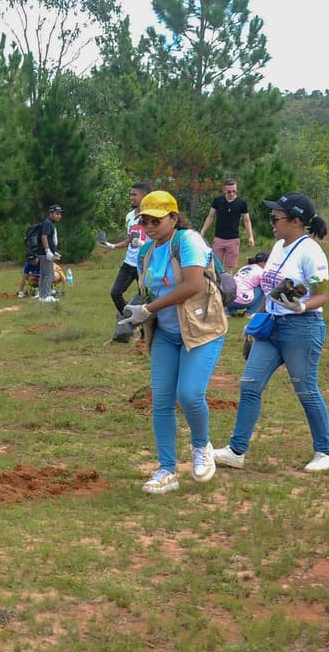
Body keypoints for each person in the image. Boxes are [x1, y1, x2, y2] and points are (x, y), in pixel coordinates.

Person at [214, 193, 329, 473]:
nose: (272, 222)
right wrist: (255, 324)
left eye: (276, 218)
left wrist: (300, 305)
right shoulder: (279, 246)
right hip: (272, 328)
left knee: (306, 390)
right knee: (250, 385)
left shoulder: (311, 252)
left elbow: (322, 297)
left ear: (296, 221)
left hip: (302, 329)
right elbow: (270, 292)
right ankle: (236, 451)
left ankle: (325, 452)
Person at [118, 191, 227, 494]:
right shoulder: (146, 253)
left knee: (190, 394)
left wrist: (148, 309)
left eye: (156, 219)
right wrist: (137, 313)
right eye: (144, 220)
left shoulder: (188, 240)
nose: (149, 225)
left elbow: (192, 285)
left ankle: (201, 446)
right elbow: (150, 292)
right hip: (166, 334)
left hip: (201, 329)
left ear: (173, 218)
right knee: (162, 402)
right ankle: (167, 469)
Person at [103, 183, 150, 340]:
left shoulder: (152, 216)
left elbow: (159, 239)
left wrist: (144, 245)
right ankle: (129, 323)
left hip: (144, 264)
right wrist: (113, 246)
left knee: (144, 298)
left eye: (134, 195)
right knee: (115, 293)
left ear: (144, 196)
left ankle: (145, 333)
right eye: (131, 194)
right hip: (129, 263)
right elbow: (131, 238)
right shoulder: (130, 216)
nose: (131, 197)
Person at [199, 178, 255, 271]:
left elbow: (246, 220)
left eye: (234, 191)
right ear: (224, 190)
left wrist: (251, 237)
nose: (232, 194)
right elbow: (210, 216)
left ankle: (228, 285)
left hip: (233, 239)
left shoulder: (241, 203)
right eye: (229, 192)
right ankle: (217, 285)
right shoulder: (218, 201)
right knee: (216, 266)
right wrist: (203, 230)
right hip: (219, 238)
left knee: (229, 268)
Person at [224, 252, 268, 317]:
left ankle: (228, 312)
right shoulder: (261, 272)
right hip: (242, 301)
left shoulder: (244, 267)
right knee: (262, 290)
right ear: (262, 263)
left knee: (238, 285)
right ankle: (250, 312)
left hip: (228, 299)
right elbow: (265, 288)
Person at [37, 204, 63, 302]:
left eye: (60, 214)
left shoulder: (51, 223)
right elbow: (44, 236)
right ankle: (46, 295)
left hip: (46, 252)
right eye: (56, 214)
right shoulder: (47, 223)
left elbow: (50, 239)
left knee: (44, 274)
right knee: (49, 274)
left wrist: (54, 251)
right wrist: (47, 250)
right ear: (51, 213)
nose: (59, 216)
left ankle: (42, 295)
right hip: (45, 252)